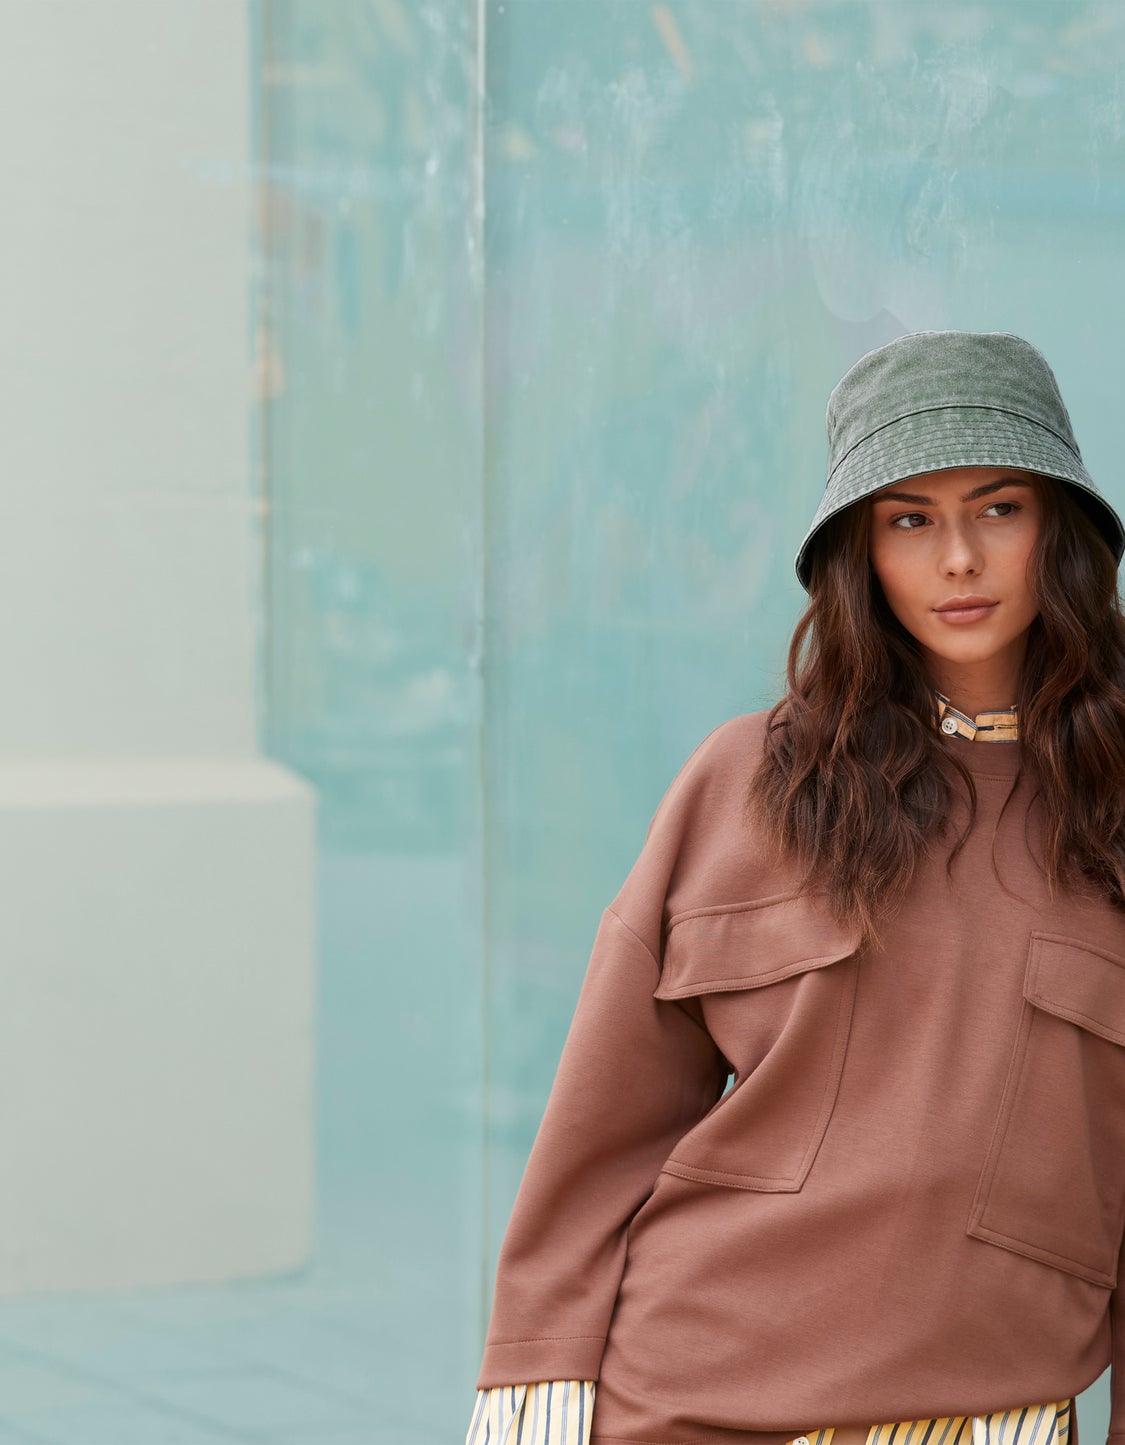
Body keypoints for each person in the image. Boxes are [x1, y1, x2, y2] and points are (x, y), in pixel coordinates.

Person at [465, 331, 1125, 1445]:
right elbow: (604, 1123)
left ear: (1056, 528)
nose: (956, 556)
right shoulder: (749, 780)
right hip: (688, 1393)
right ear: (856, 556)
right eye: (907, 519)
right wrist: (535, 1376)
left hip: (988, 1411)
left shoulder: (1108, 808)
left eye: (997, 508)